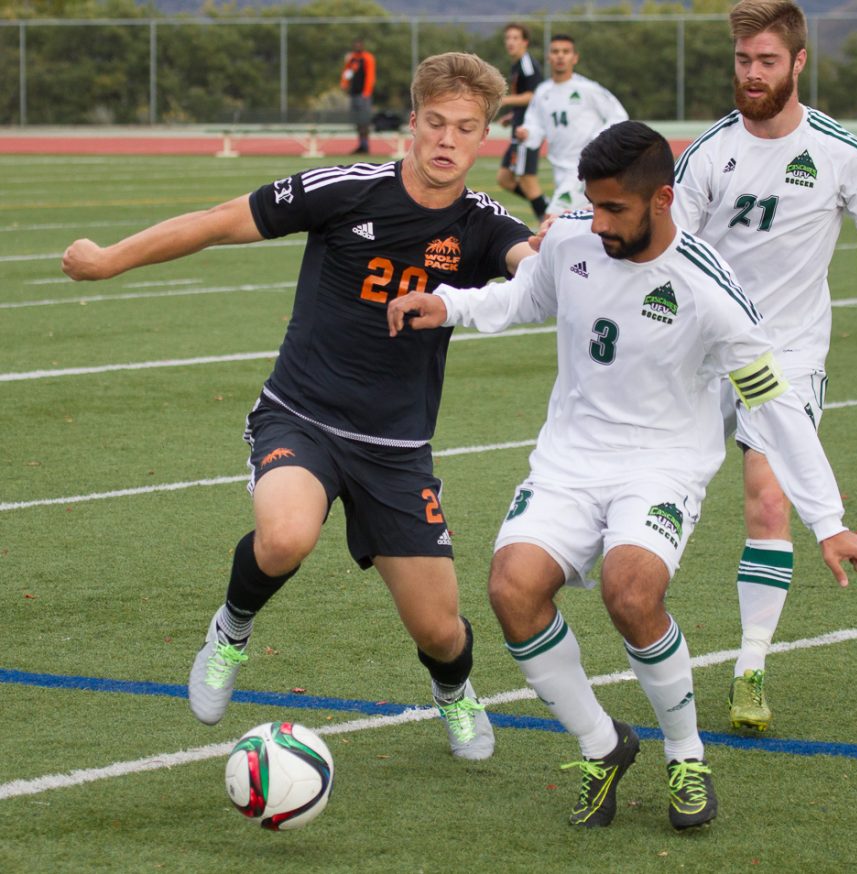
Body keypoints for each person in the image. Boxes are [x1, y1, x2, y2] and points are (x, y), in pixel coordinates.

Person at [387, 121, 857, 830]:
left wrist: (827, 521)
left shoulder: (709, 288)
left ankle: (685, 755)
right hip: (570, 459)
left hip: (663, 466)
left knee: (631, 591)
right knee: (511, 590)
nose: (601, 221)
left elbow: (775, 404)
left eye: (616, 208)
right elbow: (523, 297)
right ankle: (602, 743)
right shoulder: (573, 238)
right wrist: (449, 303)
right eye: (595, 204)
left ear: (663, 200)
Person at [61, 52, 537, 762]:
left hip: (397, 449)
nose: (446, 141)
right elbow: (221, 221)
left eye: (464, 129)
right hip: (301, 416)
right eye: (434, 122)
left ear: (483, 139)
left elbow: (529, 266)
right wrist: (107, 260)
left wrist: (554, 251)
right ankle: (230, 630)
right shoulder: (345, 189)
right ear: (410, 122)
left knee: (440, 632)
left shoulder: (484, 223)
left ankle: (453, 692)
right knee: (285, 536)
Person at [672, 0, 857, 733]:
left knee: (767, 500)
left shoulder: (842, 152)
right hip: (699, 355)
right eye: (744, 60)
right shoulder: (708, 154)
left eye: (767, 61)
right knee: (661, 494)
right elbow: (669, 254)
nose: (752, 74)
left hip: (789, 356)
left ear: (799, 62)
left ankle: (749, 668)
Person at [515, 33, 628, 216]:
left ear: (575, 58)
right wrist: (526, 133)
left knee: (551, 220)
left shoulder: (588, 89)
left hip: (583, 167)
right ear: (549, 57)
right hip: (559, 167)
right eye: (555, 51)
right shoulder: (543, 92)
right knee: (581, 222)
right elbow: (535, 124)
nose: (560, 56)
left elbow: (619, 116)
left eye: (566, 52)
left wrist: (597, 141)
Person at [495, 23, 548, 221]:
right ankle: (547, 205)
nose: (510, 42)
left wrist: (503, 101)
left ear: (525, 42)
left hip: (527, 132)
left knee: (526, 179)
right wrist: (513, 114)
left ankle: (549, 218)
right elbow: (526, 100)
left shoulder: (527, 64)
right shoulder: (517, 64)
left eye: (515, 38)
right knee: (505, 179)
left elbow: (534, 95)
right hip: (518, 127)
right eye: (508, 38)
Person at [341, 39, 376, 154]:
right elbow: (347, 72)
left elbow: (370, 76)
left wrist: (367, 92)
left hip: (363, 95)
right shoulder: (351, 58)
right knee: (357, 120)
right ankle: (361, 144)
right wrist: (344, 84)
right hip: (354, 94)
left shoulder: (367, 58)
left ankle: (365, 145)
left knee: (364, 119)